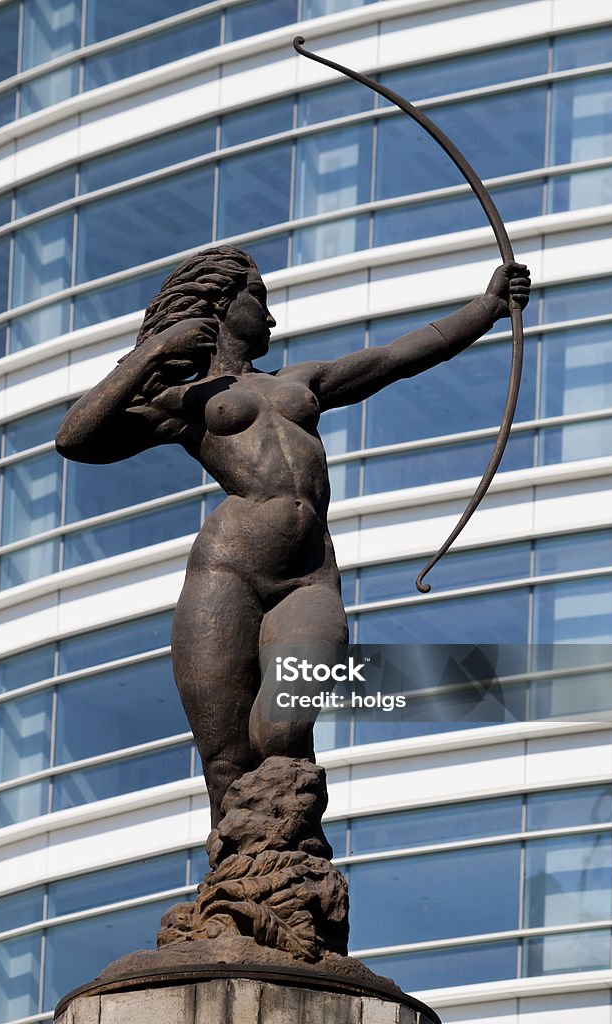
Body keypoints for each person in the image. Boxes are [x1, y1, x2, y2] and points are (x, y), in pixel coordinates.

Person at [56, 245, 530, 825]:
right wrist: (156, 351)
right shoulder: (184, 401)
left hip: (308, 575)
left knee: (284, 728)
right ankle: (242, 893)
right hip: (228, 572)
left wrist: (486, 308)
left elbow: (395, 357)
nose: (272, 318)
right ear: (223, 305)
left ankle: (290, 859)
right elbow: (75, 439)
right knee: (227, 765)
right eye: (260, 298)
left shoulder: (301, 380)